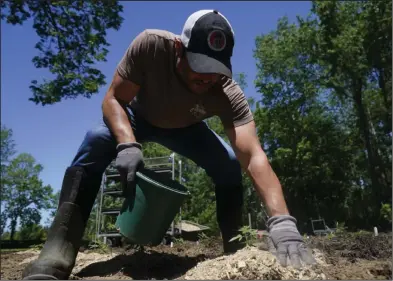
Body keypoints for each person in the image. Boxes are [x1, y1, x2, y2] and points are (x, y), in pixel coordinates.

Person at [22, 9, 316, 280]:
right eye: (200, 66)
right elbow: (113, 99)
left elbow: (253, 156)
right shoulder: (150, 46)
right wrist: (126, 144)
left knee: (228, 164)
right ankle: (57, 251)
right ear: (179, 48)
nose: (208, 78)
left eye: (216, 69)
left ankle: (234, 247)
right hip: (137, 118)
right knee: (96, 139)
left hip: (188, 130)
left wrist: (282, 221)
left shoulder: (226, 92)